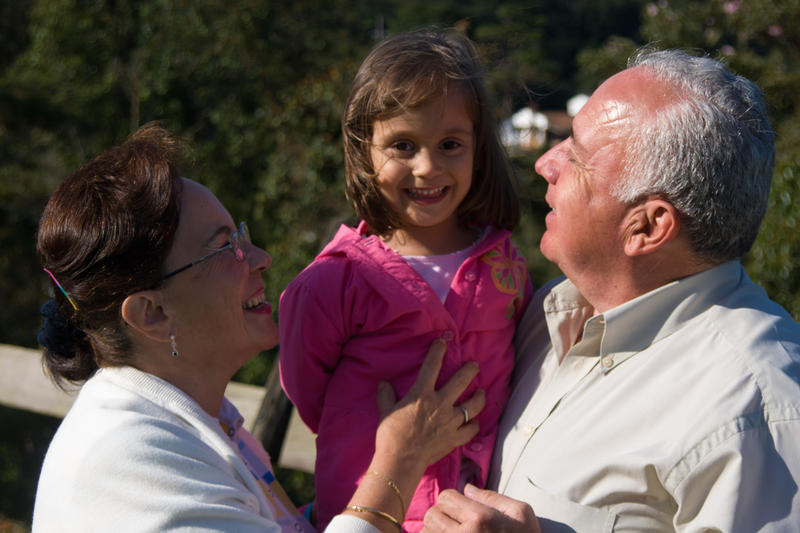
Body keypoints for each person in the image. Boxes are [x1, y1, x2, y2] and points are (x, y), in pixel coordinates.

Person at [31, 123, 487, 533]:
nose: (259, 258)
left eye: (241, 235)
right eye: (224, 247)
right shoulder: (128, 459)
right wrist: (399, 462)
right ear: (152, 313)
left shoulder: (200, 421)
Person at [422, 49, 800, 532]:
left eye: (576, 156)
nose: (544, 163)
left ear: (647, 226)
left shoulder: (759, 406)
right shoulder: (550, 312)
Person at [279, 30, 533, 532]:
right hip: (369, 515)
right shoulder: (335, 281)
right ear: (363, 150)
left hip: (478, 518)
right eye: (402, 145)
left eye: (450, 144)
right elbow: (309, 395)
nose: (428, 167)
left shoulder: (505, 265)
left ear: (479, 148)